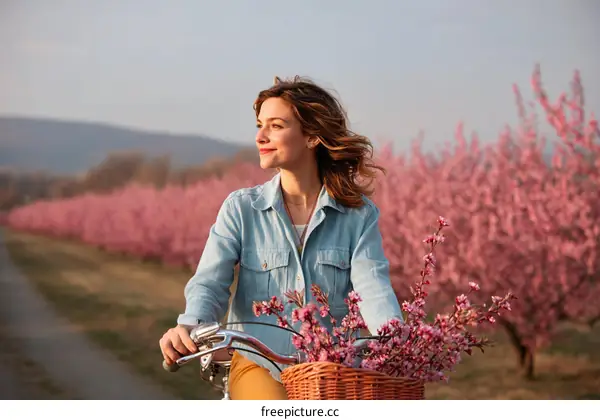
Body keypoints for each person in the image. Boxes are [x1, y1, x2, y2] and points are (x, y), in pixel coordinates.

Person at [158, 76, 404, 400]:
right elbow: (209, 283)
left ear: (312, 136)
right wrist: (190, 326)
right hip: (259, 364)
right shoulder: (241, 209)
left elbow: (373, 288)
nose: (261, 136)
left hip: (331, 371)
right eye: (260, 125)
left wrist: (397, 341)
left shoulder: (358, 216)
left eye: (276, 126)